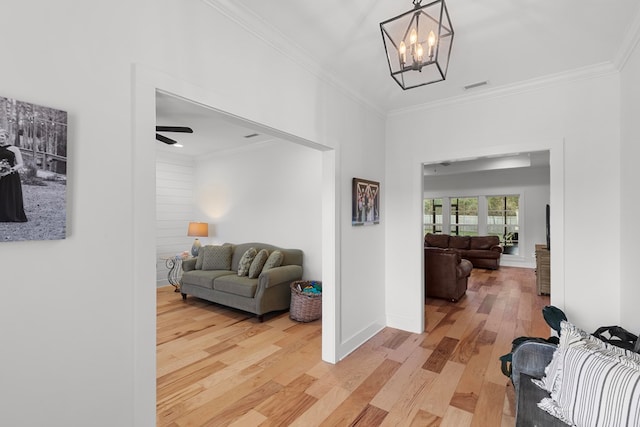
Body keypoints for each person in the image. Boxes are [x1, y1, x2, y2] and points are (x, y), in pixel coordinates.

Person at [0, 128, 27, 222]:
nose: (0, 138)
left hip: (11, 175)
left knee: (9, 195)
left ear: (6, 137)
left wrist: (10, 170)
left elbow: (20, 164)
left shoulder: (14, 149)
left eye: (2, 136)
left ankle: (10, 214)